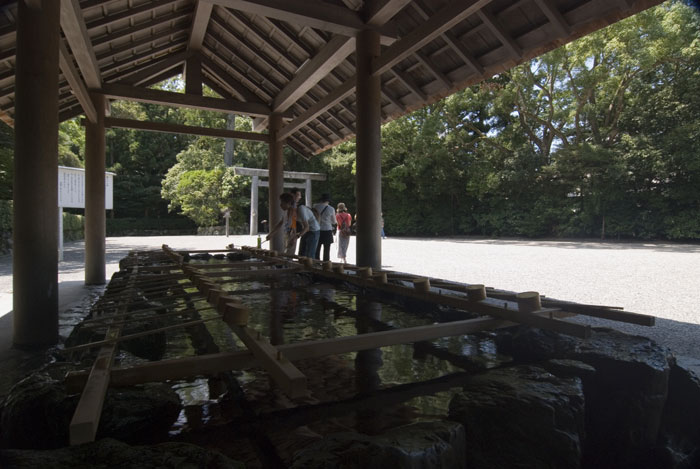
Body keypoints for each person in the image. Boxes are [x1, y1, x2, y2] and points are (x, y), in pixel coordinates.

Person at [267, 192, 319, 257]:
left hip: (314, 230)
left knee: (309, 255)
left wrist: (295, 238)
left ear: (288, 203)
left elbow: (307, 227)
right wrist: (271, 234)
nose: (280, 205)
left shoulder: (300, 209)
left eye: (282, 203)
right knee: (301, 254)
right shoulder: (287, 212)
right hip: (305, 231)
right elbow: (280, 224)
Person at [313, 194, 336, 261]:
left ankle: (316, 262)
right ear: (328, 200)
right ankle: (326, 264)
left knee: (317, 248)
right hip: (327, 230)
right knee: (326, 250)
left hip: (317, 229)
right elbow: (334, 221)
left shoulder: (315, 206)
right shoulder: (331, 209)